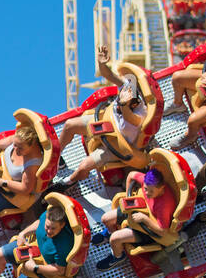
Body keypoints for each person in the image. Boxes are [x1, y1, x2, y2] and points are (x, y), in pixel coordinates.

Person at [56, 45, 149, 185]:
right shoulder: (129, 87)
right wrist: (102, 63)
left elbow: (131, 118)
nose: (125, 90)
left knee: (84, 166)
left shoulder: (142, 112)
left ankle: (67, 183)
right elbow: (108, 75)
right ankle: (55, 159)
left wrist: (124, 104)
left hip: (117, 144)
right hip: (106, 121)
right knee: (70, 125)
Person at [0, 202, 76, 278]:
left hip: (43, 271)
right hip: (33, 249)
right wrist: (23, 233)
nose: (48, 231)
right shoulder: (47, 215)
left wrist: (35, 268)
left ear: (62, 225)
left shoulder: (64, 245)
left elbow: (59, 269)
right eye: (47, 226)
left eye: (53, 228)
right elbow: (39, 222)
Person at [94, 168, 177, 271]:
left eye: (151, 191)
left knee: (114, 239)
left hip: (146, 229)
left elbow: (162, 231)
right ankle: (110, 232)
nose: (147, 193)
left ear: (161, 188)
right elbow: (131, 174)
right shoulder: (147, 181)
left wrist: (144, 219)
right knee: (105, 219)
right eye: (145, 189)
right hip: (136, 209)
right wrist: (129, 198)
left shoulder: (163, 206)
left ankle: (118, 257)